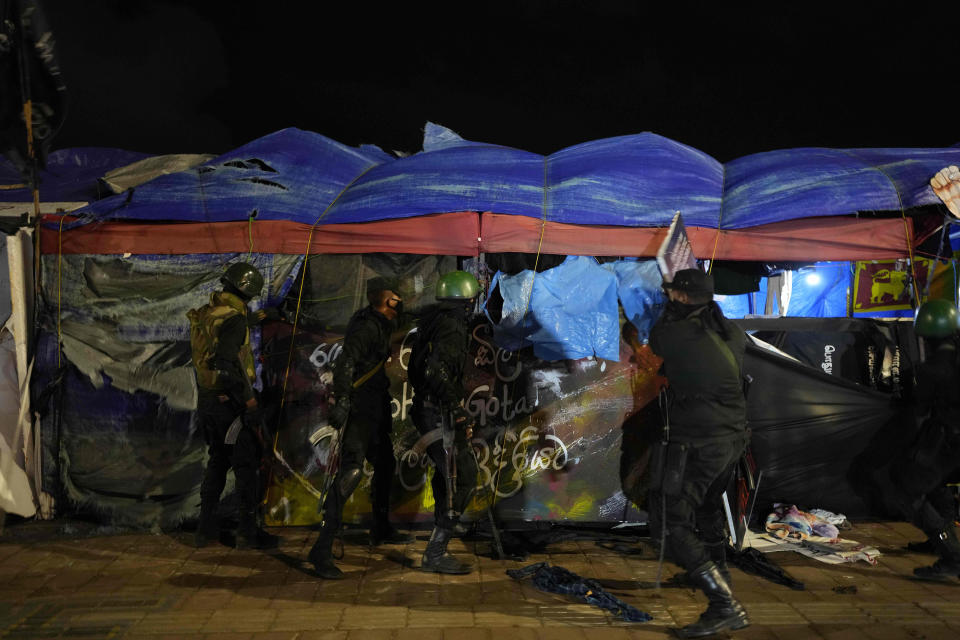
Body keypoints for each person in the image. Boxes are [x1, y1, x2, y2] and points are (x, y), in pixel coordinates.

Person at [647, 268, 750, 638]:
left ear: (683, 298)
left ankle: (724, 605)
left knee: (670, 519)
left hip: (702, 442)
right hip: (732, 438)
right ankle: (717, 573)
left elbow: (656, 341)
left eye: (672, 293)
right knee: (706, 507)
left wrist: (668, 309)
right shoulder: (730, 330)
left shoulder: (678, 334)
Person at [308, 277, 413, 579]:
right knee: (351, 472)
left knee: (384, 463)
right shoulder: (367, 327)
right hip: (360, 407)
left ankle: (380, 528)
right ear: (385, 300)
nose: (401, 301)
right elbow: (346, 362)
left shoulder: (380, 321)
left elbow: (409, 317)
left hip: (375, 404)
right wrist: (342, 400)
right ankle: (322, 549)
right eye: (397, 297)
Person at [190, 261, 279, 550]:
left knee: (217, 462)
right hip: (231, 404)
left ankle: (205, 530)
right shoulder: (235, 320)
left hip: (208, 400)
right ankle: (247, 534)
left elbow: (229, 331)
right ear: (249, 291)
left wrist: (263, 317)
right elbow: (227, 360)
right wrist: (248, 398)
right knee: (246, 467)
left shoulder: (209, 313)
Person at [408, 270, 480, 574]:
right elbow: (435, 372)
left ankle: (444, 523)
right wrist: (454, 407)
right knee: (462, 475)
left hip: (431, 409)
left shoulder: (435, 321)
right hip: (438, 412)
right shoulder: (451, 326)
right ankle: (436, 551)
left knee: (447, 474)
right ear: (467, 300)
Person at [886, 299, 960, 581]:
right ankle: (941, 540)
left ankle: (953, 555)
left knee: (906, 490)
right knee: (936, 482)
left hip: (949, 440)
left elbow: (920, 410)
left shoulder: (934, 368)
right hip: (951, 442)